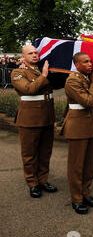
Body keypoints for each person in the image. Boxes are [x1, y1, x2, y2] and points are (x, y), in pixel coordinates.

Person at [11, 45, 58, 198]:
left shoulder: (42, 69)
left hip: (47, 118)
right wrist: (43, 75)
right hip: (29, 120)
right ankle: (32, 183)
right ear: (23, 57)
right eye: (30, 53)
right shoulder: (18, 72)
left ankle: (43, 180)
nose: (34, 55)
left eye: (36, 52)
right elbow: (29, 90)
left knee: (45, 152)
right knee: (30, 154)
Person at [61, 53, 93, 214]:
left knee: (88, 164)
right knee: (76, 165)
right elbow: (87, 101)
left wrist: (92, 81)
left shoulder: (84, 78)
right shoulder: (72, 80)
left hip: (89, 125)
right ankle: (76, 198)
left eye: (90, 61)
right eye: (86, 62)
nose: (90, 64)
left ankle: (86, 193)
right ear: (77, 65)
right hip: (77, 126)